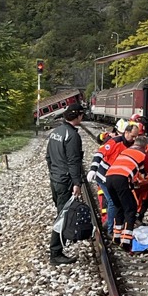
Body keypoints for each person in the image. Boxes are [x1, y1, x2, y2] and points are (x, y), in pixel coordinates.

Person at [45, 103, 86, 265]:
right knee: (63, 215)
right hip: (65, 180)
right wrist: (77, 183)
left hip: (55, 178)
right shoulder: (72, 136)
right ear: (78, 116)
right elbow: (74, 161)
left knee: (61, 212)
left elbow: (48, 157)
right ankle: (55, 253)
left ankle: (58, 249)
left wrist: (53, 173)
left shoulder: (56, 132)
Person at [105, 134, 148, 249]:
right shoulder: (143, 155)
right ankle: (126, 241)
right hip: (121, 179)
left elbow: (138, 170)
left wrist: (136, 179)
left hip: (109, 178)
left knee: (119, 207)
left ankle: (116, 237)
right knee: (131, 209)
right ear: (145, 146)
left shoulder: (125, 152)